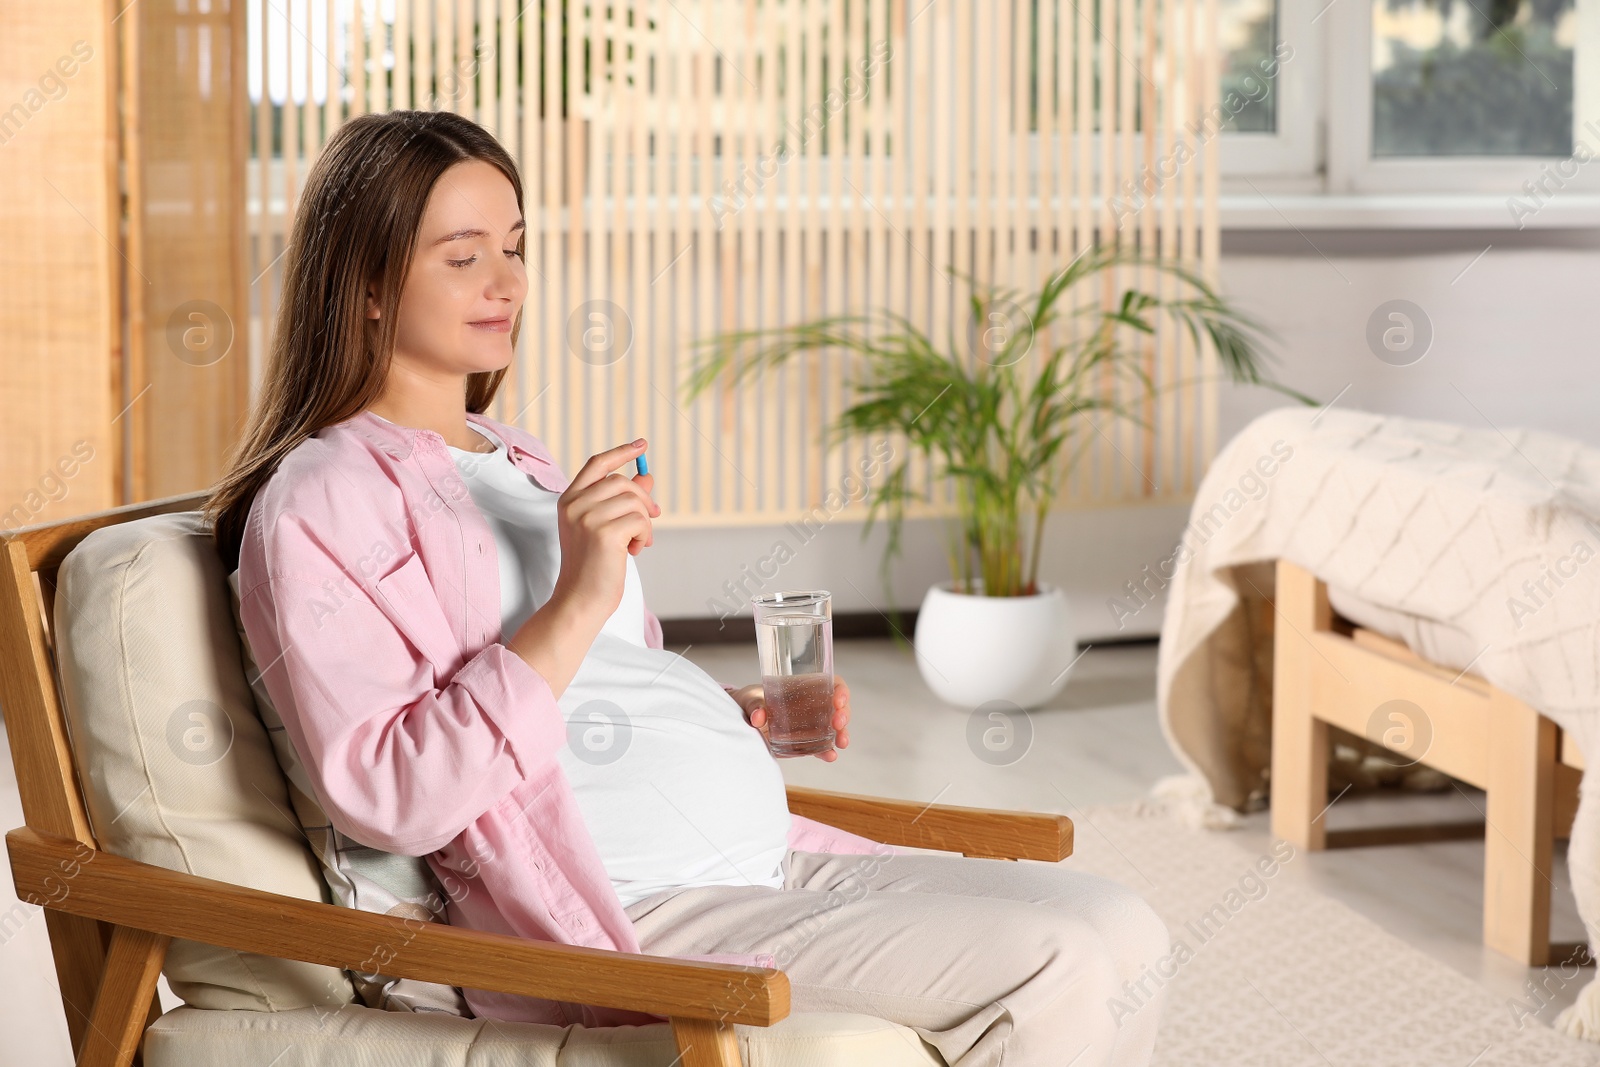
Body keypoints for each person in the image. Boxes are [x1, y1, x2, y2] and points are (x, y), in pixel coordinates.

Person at [203, 109, 1169, 1067]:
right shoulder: (324, 501)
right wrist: (579, 593)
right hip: (625, 901)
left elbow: (604, 680)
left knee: (1128, 928)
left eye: (515, 246)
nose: (507, 283)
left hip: (762, 858)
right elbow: (393, 792)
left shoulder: (524, 460)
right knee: (1061, 964)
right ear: (367, 285)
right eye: (463, 257)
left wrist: (725, 711)